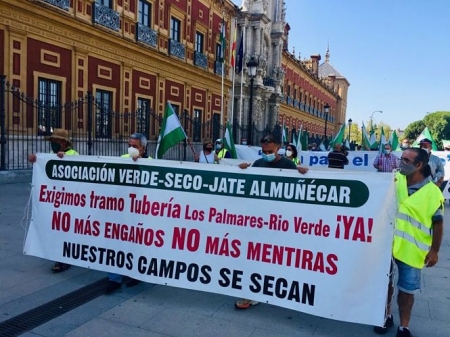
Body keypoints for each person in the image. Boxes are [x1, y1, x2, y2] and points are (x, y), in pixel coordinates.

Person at [373, 148, 444, 337]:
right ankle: (385, 317)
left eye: (405, 160)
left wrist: (434, 251)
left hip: (412, 250)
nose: (400, 162)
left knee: (406, 291)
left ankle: (404, 327)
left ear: (418, 165)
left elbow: (438, 224)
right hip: (387, 245)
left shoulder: (432, 192)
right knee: (384, 284)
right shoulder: (394, 181)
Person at [235, 134, 308, 309]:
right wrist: (243, 170)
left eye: (269, 150)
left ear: (278, 147)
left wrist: (302, 173)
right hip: (259, 220)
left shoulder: (288, 165)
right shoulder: (258, 164)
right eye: (263, 151)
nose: (266, 153)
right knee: (254, 256)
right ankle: (251, 293)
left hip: (279, 222)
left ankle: (269, 289)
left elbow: (298, 188)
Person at [28, 129, 79, 273]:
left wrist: (65, 159)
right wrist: (35, 161)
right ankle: (59, 255)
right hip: (55, 200)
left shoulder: (74, 155)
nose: (54, 144)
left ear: (64, 142)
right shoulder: (49, 156)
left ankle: (64, 259)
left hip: (70, 200)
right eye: (52, 141)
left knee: (66, 229)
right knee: (56, 229)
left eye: (56, 141)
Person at [107, 133, 149, 294]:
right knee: (115, 242)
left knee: (137, 244)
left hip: (140, 212)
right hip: (121, 209)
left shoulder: (152, 162)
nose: (131, 148)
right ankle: (114, 278)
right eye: (129, 145)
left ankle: (136, 274)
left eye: (135, 146)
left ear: (143, 148)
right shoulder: (123, 158)